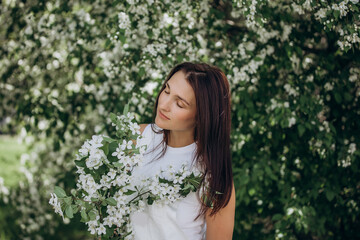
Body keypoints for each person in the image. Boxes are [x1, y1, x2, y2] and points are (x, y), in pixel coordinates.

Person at [130, 62, 235, 240]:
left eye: (180, 103)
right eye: (167, 90)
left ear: (202, 117)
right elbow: (111, 218)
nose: (163, 105)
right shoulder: (137, 138)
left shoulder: (212, 174)